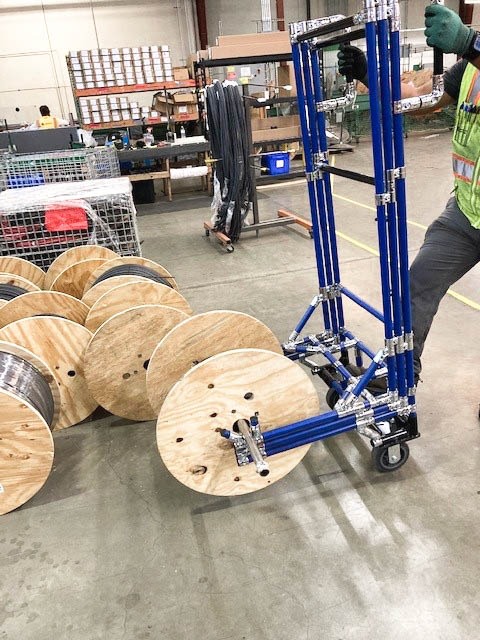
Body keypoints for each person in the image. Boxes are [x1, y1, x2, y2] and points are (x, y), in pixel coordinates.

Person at [337, 5, 480, 383]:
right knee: (417, 284)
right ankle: (401, 373)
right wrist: (369, 74)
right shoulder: (468, 70)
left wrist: (470, 43)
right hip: (467, 213)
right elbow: (419, 100)